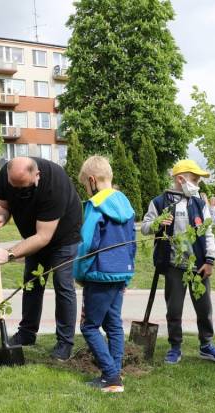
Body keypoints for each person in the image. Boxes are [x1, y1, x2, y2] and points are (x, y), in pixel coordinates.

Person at [0, 157, 82, 361]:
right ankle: (27, 333)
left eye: (24, 188)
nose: (19, 192)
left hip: (63, 236)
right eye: (15, 187)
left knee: (63, 285)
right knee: (31, 283)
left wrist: (10, 254)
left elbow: (43, 237)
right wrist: (0, 217)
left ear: (36, 175)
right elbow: (4, 206)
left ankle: (65, 343)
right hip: (33, 236)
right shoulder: (6, 175)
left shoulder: (54, 184)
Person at [141, 159, 215, 365]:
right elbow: (144, 227)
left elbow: (208, 232)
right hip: (174, 266)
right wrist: (156, 223)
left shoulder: (199, 202)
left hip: (198, 266)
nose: (198, 184)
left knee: (204, 307)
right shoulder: (160, 202)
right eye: (195, 179)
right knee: (174, 308)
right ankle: (175, 346)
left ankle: (206, 344)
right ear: (181, 179)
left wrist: (209, 260)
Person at [74, 156, 136, 393]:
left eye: (84, 186)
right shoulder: (127, 205)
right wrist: (127, 276)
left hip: (99, 275)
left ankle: (111, 376)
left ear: (91, 180)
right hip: (120, 272)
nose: (86, 191)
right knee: (113, 325)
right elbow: (132, 244)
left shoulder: (95, 205)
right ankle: (114, 374)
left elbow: (87, 244)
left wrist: (79, 273)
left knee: (89, 326)